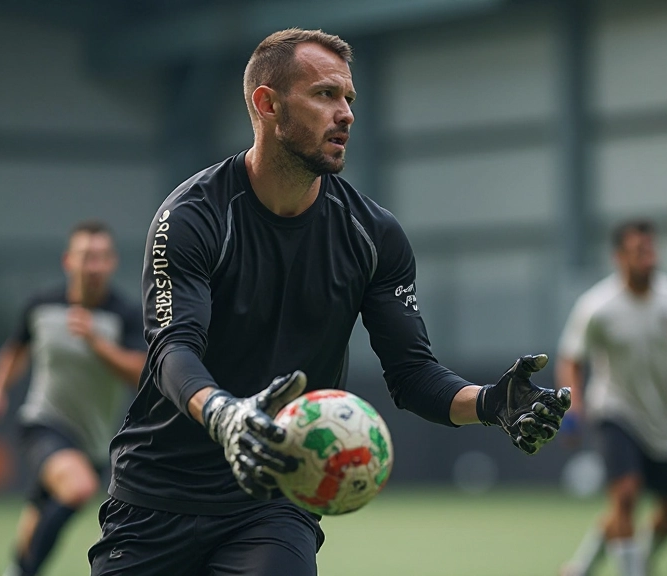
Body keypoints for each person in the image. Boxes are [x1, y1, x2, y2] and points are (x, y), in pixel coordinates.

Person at [87, 28, 571, 576]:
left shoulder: (374, 235)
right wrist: (227, 416)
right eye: (324, 95)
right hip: (157, 495)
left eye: (349, 98)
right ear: (267, 103)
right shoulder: (193, 217)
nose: (346, 113)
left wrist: (490, 403)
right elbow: (174, 349)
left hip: (273, 500)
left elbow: (411, 373)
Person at [0, 221, 145, 576]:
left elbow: (141, 372)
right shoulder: (41, 305)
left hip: (95, 440)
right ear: (69, 260)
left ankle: (19, 569)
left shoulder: (125, 314)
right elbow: (16, 349)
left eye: (101, 257)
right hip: (43, 423)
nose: (93, 266)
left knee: (40, 521)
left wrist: (97, 343)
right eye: (86, 256)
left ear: (112, 263)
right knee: (79, 488)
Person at [557, 220, 667, 576]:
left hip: (665, 421)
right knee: (626, 495)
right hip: (615, 410)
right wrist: (573, 407)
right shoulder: (596, 306)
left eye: (652, 249)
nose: (649, 258)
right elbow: (570, 359)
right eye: (639, 251)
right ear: (619, 257)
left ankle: (589, 563)